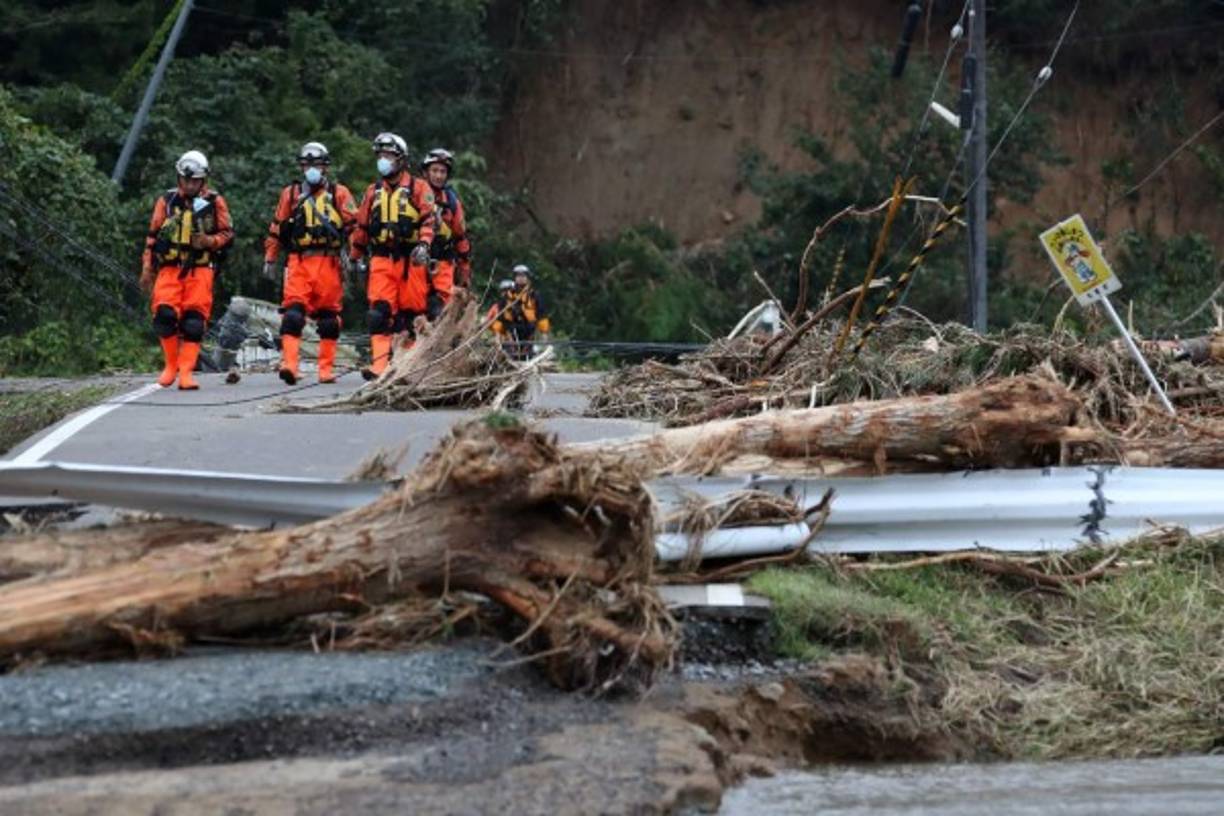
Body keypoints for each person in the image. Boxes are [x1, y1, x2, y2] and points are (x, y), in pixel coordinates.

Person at [263, 141, 359, 384]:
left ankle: (325, 370)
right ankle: (290, 365)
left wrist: (355, 256)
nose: (312, 169)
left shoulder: (339, 193)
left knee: (328, 320)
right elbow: (277, 227)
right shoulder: (291, 194)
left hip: (329, 262)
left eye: (316, 164)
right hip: (299, 261)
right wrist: (270, 258)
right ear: (302, 167)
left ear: (325, 167)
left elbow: (354, 228)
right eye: (307, 165)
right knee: (293, 314)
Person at [140, 150, 233, 390]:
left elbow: (227, 234)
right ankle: (171, 365)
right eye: (186, 180)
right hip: (170, 269)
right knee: (164, 316)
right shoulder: (167, 201)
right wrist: (147, 269)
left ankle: (186, 373)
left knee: (193, 322)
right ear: (179, 178)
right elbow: (152, 237)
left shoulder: (215, 202)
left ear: (203, 180)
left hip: (200, 270)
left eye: (195, 180)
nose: (190, 185)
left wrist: (209, 242)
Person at [350, 132, 436, 380]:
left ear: (401, 159)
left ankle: (408, 367)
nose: (383, 160)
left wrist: (424, 243)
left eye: (388, 155)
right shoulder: (372, 191)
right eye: (380, 155)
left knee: (410, 316)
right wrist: (355, 256)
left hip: (411, 260)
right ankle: (379, 366)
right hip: (381, 259)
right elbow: (362, 227)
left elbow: (429, 219)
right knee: (378, 313)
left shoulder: (419, 188)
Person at [419, 148, 472, 318]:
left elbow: (461, 237)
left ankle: (441, 343)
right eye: (434, 170)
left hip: (443, 262)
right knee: (414, 308)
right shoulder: (413, 194)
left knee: (440, 311)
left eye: (443, 171)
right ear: (426, 172)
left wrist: (464, 269)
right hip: (417, 260)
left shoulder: (451, 201)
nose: (439, 176)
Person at [492, 264, 551, 360]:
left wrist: (544, 334)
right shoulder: (507, 296)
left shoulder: (534, 296)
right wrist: (497, 336)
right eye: (518, 276)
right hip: (512, 329)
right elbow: (500, 317)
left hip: (528, 330)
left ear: (527, 278)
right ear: (515, 278)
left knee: (527, 355)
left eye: (523, 276)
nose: (521, 278)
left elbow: (541, 316)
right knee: (511, 355)